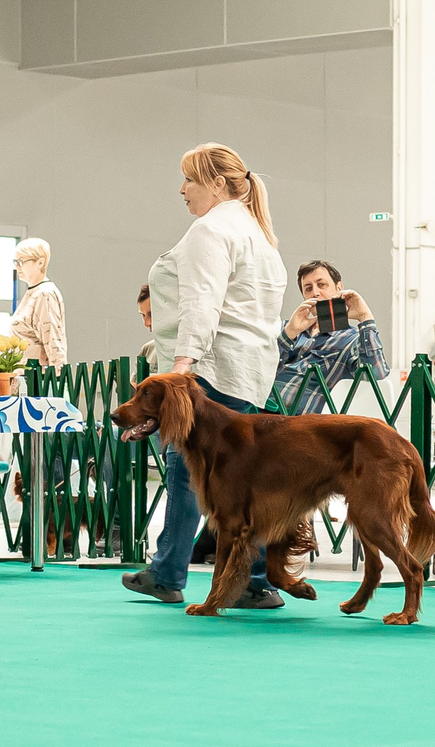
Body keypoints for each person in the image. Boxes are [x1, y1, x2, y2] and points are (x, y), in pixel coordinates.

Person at [125, 142, 290, 608]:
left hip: (211, 369)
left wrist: (181, 366)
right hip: (250, 372)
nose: (182, 189)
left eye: (190, 180)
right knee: (238, 476)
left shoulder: (209, 231)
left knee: (188, 472)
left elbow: (203, 301)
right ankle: (254, 580)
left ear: (217, 184)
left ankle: (168, 573)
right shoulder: (260, 235)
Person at [273, 258, 383, 413]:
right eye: (308, 289)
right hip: (257, 411)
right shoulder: (285, 328)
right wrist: (289, 334)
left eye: (321, 285)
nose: (315, 293)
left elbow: (375, 375)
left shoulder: (350, 339)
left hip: (298, 423)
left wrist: (365, 318)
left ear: (339, 288)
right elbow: (257, 368)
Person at [8, 240, 66, 366]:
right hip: (26, 378)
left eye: (21, 262)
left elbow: (53, 342)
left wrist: (58, 382)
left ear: (40, 262)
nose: (17, 267)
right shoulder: (33, 292)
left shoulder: (45, 294)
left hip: (38, 380)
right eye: (16, 262)